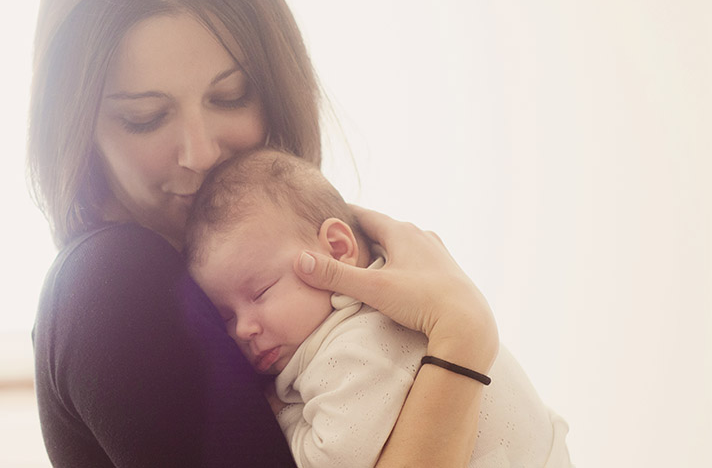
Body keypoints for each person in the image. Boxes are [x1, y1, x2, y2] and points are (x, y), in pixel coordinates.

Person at [29, 0, 502, 467]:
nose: (200, 153)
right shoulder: (114, 283)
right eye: (146, 117)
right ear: (78, 129)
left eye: (229, 96)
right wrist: (461, 341)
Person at [185, 148, 572, 468]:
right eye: (226, 317)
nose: (242, 330)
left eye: (261, 292)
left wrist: (280, 414)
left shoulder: (355, 343)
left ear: (337, 249)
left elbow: (335, 460)